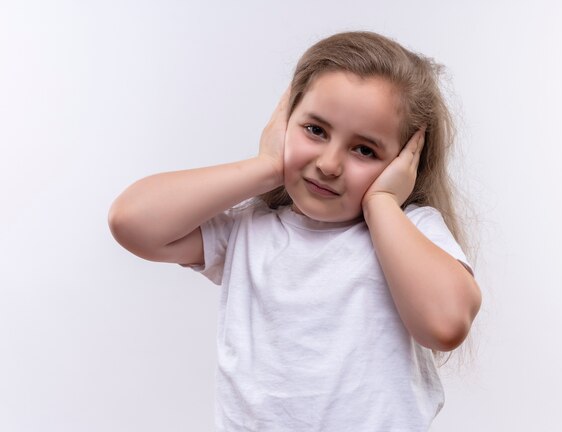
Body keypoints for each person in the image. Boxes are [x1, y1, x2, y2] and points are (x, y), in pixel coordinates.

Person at [108, 31, 482, 431]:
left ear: (405, 163)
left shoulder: (411, 231)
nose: (329, 163)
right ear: (285, 121)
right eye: (315, 130)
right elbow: (131, 220)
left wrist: (382, 203)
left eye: (365, 150)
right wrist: (268, 165)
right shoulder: (247, 230)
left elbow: (445, 325)